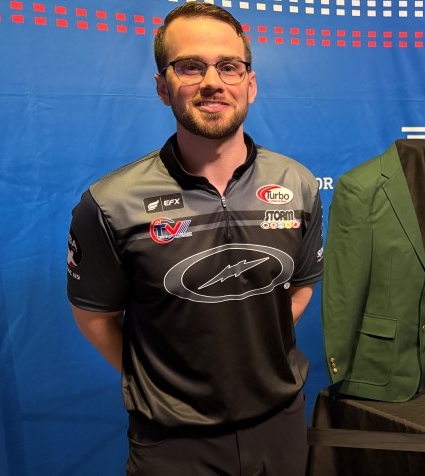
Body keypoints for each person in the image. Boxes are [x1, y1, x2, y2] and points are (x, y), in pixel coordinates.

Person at [66, 3, 323, 474]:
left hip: (281, 425)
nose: (212, 82)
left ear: (250, 84)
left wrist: (251, 343)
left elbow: (302, 286)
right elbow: (95, 318)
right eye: (189, 66)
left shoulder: (298, 184)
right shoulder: (110, 203)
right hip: (172, 443)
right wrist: (159, 383)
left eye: (229, 66)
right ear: (162, 87)